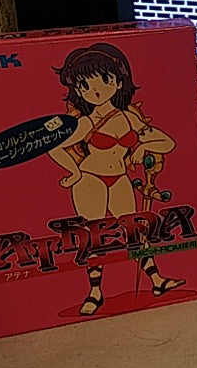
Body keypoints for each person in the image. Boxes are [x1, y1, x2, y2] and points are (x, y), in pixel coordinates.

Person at [49, 42, 183, 315]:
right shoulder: (86, 122)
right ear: (78, 91)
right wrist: (74, 171)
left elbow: (167, 142)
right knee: (95, 236)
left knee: (135, 231)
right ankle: (95, 292)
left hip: (119, 177)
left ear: (119, 82)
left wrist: (143, 147)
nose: (95, 89)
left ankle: (157, 281)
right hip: (91, 179)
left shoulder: (129, 118)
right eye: (85, 85)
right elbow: (54, 146)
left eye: (104, 79)